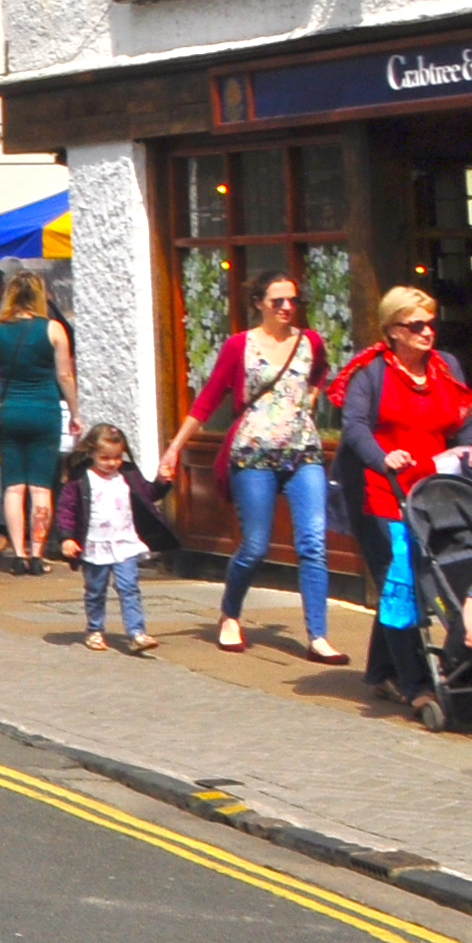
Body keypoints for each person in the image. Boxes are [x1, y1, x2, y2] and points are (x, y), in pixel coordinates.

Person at [174, 272, 346, 663]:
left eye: (293, 301)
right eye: (278, 302)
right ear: (258, 303)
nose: (287, 308)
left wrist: (310, 401)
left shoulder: (309, 341)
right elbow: (208, 399)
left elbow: (319, 371)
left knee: (313, 544)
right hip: (252, 454)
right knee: (255, 547)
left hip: (303, 453)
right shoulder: (241, 345)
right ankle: (230, 613)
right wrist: (174, 449)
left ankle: (318, 635)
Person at [340, 288, 472, 642]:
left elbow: (468, 419)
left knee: (411, 580)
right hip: (382, 491)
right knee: (400, 580)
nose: (427, 332)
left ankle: (384, 672)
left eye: (430, 324)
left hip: (433, 492)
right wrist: (382, 457)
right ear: (393, 330)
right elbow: (354, 425)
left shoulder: (445, 366)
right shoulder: (370, 371)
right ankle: (414, 683)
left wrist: (471, 450)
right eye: (416, 325)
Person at [55, 421, 175, 654]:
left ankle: (136, 633)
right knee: (96, 589)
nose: (112, 463)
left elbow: (147, 495)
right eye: (105, 458)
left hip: (124, 543)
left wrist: (162, 482)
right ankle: (95, 629)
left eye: (117, 457)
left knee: (129, 586)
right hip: (94, 545)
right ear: (91, 453)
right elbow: (66, 509)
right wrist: (67, 537)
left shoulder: (128, 474)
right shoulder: (80, 479)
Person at [0, 275, 74, 571]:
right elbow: (65, 376)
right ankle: (37, 555)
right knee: (40, 487)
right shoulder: (53, 329)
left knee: (13, 487)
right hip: (44, 409)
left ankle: (18, 555)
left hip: (9, 410)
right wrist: (76, 413)